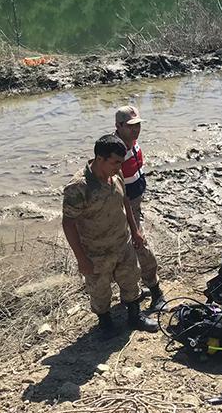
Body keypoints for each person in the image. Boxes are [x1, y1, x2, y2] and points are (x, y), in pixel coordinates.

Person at [62, 134, 159, 338]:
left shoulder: (116, 175)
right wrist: (81, 259)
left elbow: (125, 202)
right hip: (95, 251)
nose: (119, 167)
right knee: (100, 291)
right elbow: (68, 223)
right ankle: (105, 324)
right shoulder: (79, 187)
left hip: (122, 244)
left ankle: (135, 317)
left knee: (131, 281)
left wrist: (135, 231)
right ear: (100, 158)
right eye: (115, 162)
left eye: (121, 162)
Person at [113, 105, 166, 311]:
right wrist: (133, 226)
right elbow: (117, 187)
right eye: (131, 126)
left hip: (135, 201)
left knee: (132, 247)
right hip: (125, 207)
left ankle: (134, 291)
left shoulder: (131, 141)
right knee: (139, 245)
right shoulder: (116, 150)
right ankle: (155, 290)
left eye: (138, 125)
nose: (136, 130)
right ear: (118, 126)